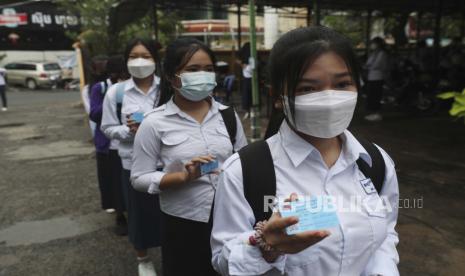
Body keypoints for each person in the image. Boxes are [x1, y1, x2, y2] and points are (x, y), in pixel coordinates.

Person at [211, 26, 399, 276]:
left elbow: (384, 236)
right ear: (277, 96)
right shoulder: (244, 171)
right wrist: (267, 247)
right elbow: (222, 261)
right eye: (308, 89)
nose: (330, 99)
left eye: (342, 84)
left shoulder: (375, 162)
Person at [130, 38, 248, 276]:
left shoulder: (227, 115)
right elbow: (139, 177)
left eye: (208, 69)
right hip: (184, 221)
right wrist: (182, 177)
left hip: (230, 215)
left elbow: (243, 161)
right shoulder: (154, 122)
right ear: (173, 76)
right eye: (193, 70)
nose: (202, 75)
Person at [101, 38, 162, 276]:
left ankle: (172, 251)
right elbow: (107, 127)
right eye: (134, 56)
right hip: (133, 164)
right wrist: (128, 131)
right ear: (126, 61)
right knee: (138, 214)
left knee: (169, 212)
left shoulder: (167, 88)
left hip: (166, 162)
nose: (140, 61)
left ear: (156, 60)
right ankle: (143, 258)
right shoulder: (116, 93)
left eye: (146, 56)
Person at [89, 55, 128, 235]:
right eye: (117, 75)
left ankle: (132, 213)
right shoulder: (101, 88)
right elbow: (94, 114)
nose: (121, 79)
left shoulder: (133, 88)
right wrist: (111, 101)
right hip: (109, 145)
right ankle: (120, 216)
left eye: (123, 74)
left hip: (130, 143)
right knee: (113, 183)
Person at [364, 37, 389, 122]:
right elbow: (368, 64)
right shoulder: (374, 54)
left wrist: (369, 66)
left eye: (374, 43)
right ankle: (373, 113)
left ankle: (377, 114)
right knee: (372, 96)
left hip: (378, 77)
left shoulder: (382, 53)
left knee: (376, 95)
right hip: (372, 77)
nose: (372, 45)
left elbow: (377, 65)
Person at [239, 42, 253, 119]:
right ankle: (249, 111)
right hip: (249, 78)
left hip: (248, 78)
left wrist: (243, 65)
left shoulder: (247, 56)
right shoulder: (251, 55)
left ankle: (249, 111)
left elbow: (249, 69)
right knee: (249, 95)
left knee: (247, 95)